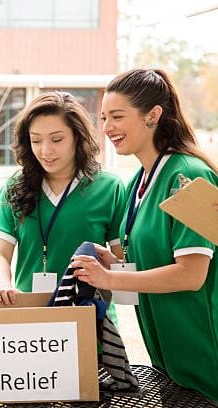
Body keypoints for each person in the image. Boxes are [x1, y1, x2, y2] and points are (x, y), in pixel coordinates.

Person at [72, 68, 218, 401]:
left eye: (117, 117)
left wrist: (109, 278)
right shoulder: (136, 182)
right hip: (168, 354)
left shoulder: (190, 177)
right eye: (104, 117)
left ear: (153, 115)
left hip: (206, 351)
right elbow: (156, 251)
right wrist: (116, 259)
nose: (107, 128)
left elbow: (192, 274)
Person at [0, 92, 125, 310]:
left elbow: (121, 262)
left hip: (90, 315)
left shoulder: (110, 188)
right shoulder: (13, 188)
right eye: (36, 140)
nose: (45, 150)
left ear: (77, 137)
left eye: (57, 139)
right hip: (33, 316)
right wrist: (3, 285)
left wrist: (109, 269)